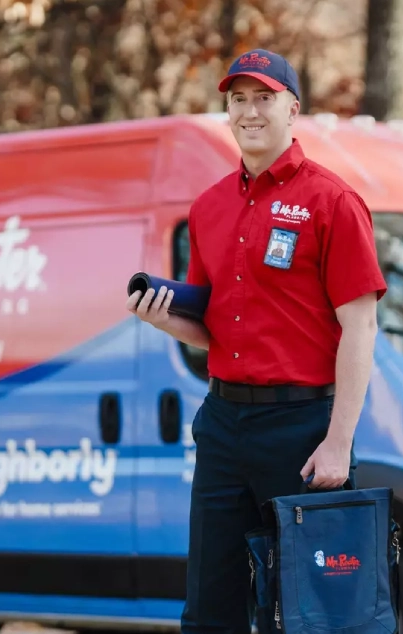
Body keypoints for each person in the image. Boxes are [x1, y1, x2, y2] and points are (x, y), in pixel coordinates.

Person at [124, 48, 387, 634]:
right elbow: (208, 322)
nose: (249, 111)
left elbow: (360, 327)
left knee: (319, 612)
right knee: (210, 608)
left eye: (263, 98)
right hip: (223, 425)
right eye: (238, 99)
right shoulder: (209, 206)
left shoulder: (333, 202)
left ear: (293, 109)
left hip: (302, 429)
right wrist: (164, 318)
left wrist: (338, 442)